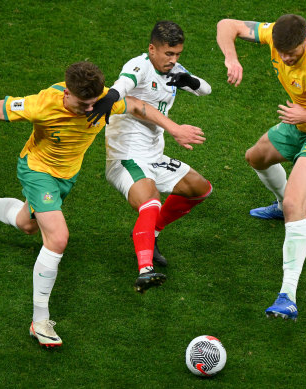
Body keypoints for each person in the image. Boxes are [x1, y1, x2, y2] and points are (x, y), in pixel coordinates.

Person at [0, 61, 205, 347]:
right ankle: (39, 321)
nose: (90, 111)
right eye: (83, 105)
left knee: (25, 224)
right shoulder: (42, 104)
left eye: (93, 104)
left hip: (65, 178)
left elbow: (138, 106)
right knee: (57, 238)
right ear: (67, 92)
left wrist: (174, 128)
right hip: (37, 170)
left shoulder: (102, 101)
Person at [216, 15, 306, 320]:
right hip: (301, 120)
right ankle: (282, 205)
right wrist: (232, 59)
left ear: (305, 42)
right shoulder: (274, 34)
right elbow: (226, 25)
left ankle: (288, 295)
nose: (285, 58)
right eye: (281, 53)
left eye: (292, 54)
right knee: (255, 157)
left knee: (298, 203)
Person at [87, 21, 212, 293]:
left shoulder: (174, 70)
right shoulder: (140, 66)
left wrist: (189, 80)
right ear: (152, 48)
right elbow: (123, 84)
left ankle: (151, 233)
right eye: (169, 54)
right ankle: (145, 268)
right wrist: (111, 97)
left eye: (178, 54)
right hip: (127, 158)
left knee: (200, 189)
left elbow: (206, 90)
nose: (174, 60)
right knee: (151, 199)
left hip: (154, 156)